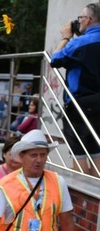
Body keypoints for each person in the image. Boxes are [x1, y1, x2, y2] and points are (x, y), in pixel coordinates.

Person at [51, 3, 100, 175]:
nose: (77, 21)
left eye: (80, 18)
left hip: (79, 104)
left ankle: (82, 199)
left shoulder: (80, 43)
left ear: (88, 20)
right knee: (96, 153)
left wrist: (66, 38)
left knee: (79, 154)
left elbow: (55, 60)